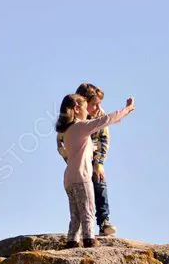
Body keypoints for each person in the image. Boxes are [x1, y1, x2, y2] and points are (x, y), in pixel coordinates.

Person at [55, 93, 135, 248]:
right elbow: (105, 120)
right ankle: (89, 240)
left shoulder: (66, 131)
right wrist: (127, 109)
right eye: (86, 108)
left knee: (76, 214)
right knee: (88, 209)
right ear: (77, 108)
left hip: (69, 179)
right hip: (81, 176)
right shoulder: (80, 127)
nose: (88, 113)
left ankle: (72, 241)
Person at [57, 83, 116, 236]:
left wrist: (99, 163)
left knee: (99, 182)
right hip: (77, 160)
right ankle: (80, 229)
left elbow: (104, 139)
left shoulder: (99, 114)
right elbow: (61, 142)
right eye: (94, 104)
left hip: (93, 155)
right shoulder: (71, 118)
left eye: (99, 104)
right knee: (80, 194)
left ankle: (104, 221)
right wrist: (72, 161)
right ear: (82, 103)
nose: (97, 108)